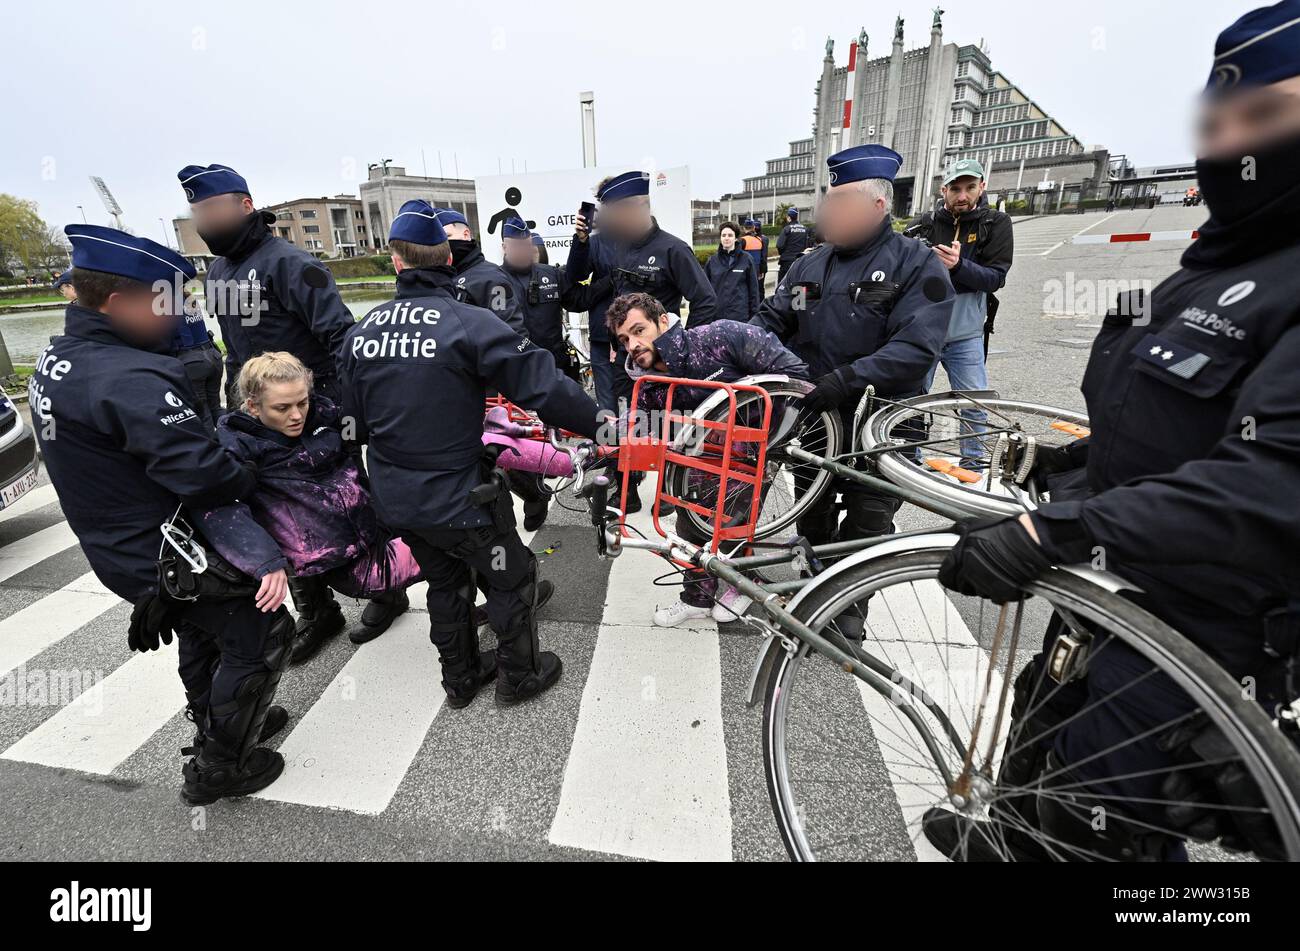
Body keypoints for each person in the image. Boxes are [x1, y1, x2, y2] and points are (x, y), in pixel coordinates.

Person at [930, 0, 1300, 862]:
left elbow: (1272, 483)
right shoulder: (1204, 267)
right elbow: (1162, 425)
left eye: (1268, 116)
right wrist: (1066, 466)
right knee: (1036, 744)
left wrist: (1054, 529)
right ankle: (1010, 839)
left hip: (1206, 627)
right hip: (1110, 588)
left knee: (1109, 829)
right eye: (1219, 121)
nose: (1232, 143)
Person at [32, 225, 293, 805]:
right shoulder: (129, 377)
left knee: (206, 631)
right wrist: (249, 471)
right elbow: (203, 473)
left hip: (123, 548)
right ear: (118, 302)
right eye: (166, 301)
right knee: (259, 629)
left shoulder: (62, 355)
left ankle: (218, 718)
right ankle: (220, 767)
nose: (180, 313)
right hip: (168, 548)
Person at [342, 201, 607, 707]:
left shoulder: (362, 333)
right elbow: (543, 385)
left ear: (395, 262)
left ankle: (461, 679)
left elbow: (350, 425)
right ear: (448, 257)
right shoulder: (467, 322)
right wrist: (604, 425)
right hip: (462, 497)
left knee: (445, 583)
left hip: (398, 496)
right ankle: (519, 675)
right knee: (512, 576)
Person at [179, 163, 365, 661]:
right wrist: (232, 409)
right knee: (274, 512)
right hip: (257, 419)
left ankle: (380, 589)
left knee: (341, 502)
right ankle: (317, 610)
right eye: (196, 212)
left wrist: (341, 412)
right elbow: (234, 347)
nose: (203, 219)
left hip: (314, 411)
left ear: (243, 205)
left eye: (211, 209)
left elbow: (339, 336)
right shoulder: (217, 270)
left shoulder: (288, 262)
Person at [751, 145, 954, 548]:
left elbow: (916, 348)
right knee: (812, 517)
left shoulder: (916, 264)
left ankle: (846, 609)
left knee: (867, 529)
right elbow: (777, 317)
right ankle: (815, 589)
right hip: (817, 419)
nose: (827, 214)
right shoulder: (810, 266)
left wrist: (847, 379)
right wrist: (740, 347)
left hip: (884, 422)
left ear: (877, 205)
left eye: (839, 203)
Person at [608, 292, 808, 627]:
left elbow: (795, 376)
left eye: (639, 331)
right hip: (696, 462)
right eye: (624, 339)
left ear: (661, 321)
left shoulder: (722, 337)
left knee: (732, 524)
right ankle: (697, 598)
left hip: (752, 446)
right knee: (689, 527)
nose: (633, 344)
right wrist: (601, 439)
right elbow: (637, 423)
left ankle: (745, 585)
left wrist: (754, 427)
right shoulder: (648, 383)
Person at [201, 352, 418, 653]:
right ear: (252, 406)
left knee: (438, 551)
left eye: (302, 402)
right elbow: (221, 510)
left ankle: (409, 592)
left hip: (364, 524)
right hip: (313, 549)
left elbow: (378, 427)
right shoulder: (237, 448)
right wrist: (264, 561)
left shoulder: (325, 415)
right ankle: (320, 614)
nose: (296, 415)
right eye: (282, 408)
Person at [565, 170, 719, 414]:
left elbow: (705, 300)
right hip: (626, 362)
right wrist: (618, 342)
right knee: (627, 424)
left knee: (664, 427)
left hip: (661, 361)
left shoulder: (673, 249)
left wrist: (682, 346)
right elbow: (610, 293)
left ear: (639, 206)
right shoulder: (621, 247)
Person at [499, 216, 612, 530]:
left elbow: (579, 300)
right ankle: (535, 495)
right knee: (512, 447)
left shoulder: (550, 275)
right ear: (505, 247)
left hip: (555, 372)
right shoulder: (492, 281)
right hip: (513, 378)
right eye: (515, 246)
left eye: (526, 245)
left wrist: (610, 280)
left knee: (564, 437)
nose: (522, 251)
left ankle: (610, 475)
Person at [907, 158, 1015, 465]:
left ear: (982, 187)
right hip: (921, 333)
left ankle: (974, 464)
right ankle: (909, 458)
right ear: (944, 190)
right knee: (911, 401)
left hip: (965, 334)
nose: (962, 196)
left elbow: (996, 278)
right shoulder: (924, 223)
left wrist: (958, 266)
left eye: (970, 187)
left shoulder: (995, 224)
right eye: (955, 188)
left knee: (973, 402)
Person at [431, 206, 526, 335]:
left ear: (466, 234)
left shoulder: (491, 277)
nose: (441, 244)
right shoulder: (436, 277)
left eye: (446, 236)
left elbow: (511, 332)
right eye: (435, 241)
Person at [171, 287, 224, 431]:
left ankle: (214, 450)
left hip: (192, 361)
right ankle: (236, 437)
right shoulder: (188, 297)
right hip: (212, 355)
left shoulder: (171, 300)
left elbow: (185, 338)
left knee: (202, 414)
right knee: (215, 408)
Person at [704, 221, 761, 323]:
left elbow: (754, 291)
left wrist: (754, 317)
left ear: (735, 238)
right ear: (720, 238)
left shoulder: (747, 259)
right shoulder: (712, 261)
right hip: (717, 318)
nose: (726, 238)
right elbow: (705, 291)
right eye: (723, 235)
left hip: (740, 317)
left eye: (730, 235)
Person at [775, 206, 811, 284]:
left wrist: (783, 253)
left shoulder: (787, 229)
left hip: (787, 262)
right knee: (799, 286)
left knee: (783, 286)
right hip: (800, 262)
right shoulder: (805, 229)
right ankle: (798, 296)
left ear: (788, 217)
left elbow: (779, 245)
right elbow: (808, 245)